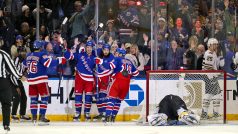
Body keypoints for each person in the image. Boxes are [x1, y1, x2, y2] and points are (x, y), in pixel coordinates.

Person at [24, 40, 66, 125]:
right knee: (44, 98)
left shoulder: (28, 55)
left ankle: (34, 117)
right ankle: (42, 116)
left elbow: (23, 65)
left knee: (33, 100)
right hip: (41, 80)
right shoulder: (41, 54)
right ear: (40, 47)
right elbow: (48, 63)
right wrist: (60, 60)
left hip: (31, 81)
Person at [95, 48, 139, 123]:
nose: (115, 54)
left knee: (111, 99)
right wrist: (128, 76)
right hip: (126, 82)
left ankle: (107, 117)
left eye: (116, 53)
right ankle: (113, 117)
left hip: (118, 80)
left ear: (119, 54)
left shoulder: (117, 59)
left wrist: (101, 62)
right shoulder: (130, 61)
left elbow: (110, 66)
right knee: (118, 101)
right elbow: (136, 73)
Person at [64, 41, 96, 122]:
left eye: (90, 47)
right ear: (85, 48)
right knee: (78, 97)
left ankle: (87, 113)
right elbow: (67, 56)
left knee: (88, 98)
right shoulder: (80, 55)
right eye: (87, 47)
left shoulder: (95, 58)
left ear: (92, 48)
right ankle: (77, 113)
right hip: (79, 79)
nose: (89, 49)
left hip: (89, 80)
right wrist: (70, 47)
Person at [0, 40, 24, 132]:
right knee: (6, 103)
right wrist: (19, 76)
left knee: (6, 103)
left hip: (3, 81)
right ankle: (6, 125)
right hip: (2, 81)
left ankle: (6, 124)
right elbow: (11, 67)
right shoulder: (3, 54)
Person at [201, 38, 224, 119]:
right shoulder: (209, 54)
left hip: (210, 76)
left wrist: (220, 57)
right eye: (214, 44)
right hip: (209, 76)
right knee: (217, 94)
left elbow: (218, 65)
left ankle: (205, 113)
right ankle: (214, 113)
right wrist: (218, 73)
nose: (216, 46)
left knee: (209, 94)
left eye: (216, 44)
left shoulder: (213, 53)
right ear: (210, 45)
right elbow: (208, 67)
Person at [93, 43, 114, 122]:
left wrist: (101, 62)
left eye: (107, 50)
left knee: (103, 95)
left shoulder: (111, 57)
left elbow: (109, 65)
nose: (105, 51)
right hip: (97, 78)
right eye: (104, 50)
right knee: (97, 96)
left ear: (109, 50)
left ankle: (105, 113)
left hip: (106, 78)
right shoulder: (99, 54)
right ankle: (101, 112)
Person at [10, 45, 31, 122]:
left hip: (18, 80)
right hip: (13, 80)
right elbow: (13, 74)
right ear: (19, 53)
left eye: (24, 52)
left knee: (24, 97)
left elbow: (25, 71)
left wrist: (26, 73)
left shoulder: (23, 61)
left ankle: (22, 114)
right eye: (22, 52)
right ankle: (13, 115)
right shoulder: (16, 60)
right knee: (17, 97)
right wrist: (16, 86)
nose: (24, 53)